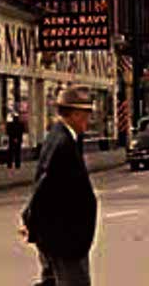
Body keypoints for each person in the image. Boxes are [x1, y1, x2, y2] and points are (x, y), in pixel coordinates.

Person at [20, 86, 98, 286]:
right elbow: (45, 186)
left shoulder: (63, 136)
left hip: (58, 233)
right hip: (65, 237)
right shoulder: (63, 143)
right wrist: (30, 218)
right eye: (87, 115)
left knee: (53, 281)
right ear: (75, 114)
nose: (89, 121)